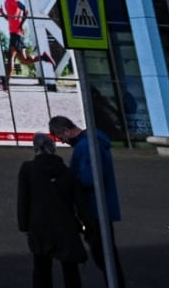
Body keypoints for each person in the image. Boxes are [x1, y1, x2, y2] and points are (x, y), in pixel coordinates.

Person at [50, 115, 124, 286]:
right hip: (100, 209)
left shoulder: (86, 147)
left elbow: (89, 178)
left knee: (104, 256)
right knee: (106, 256)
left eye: (61, 137)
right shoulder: (92, 143)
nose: (62, 142)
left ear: (67, 131)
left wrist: (67, 180)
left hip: (94, 210)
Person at [18, 133, 87, 288]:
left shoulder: (28, 169)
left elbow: (23, 199)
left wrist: (24, 226)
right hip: (65, 225)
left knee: (41, 268)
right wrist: (86, 225)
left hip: (39, 225)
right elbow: (79, 201)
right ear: (53, 148)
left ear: (35, 148)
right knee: (70, 268)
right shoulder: (66, 171)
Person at [2, 0, 54, 85]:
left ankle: (6, 83)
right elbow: (9, 19)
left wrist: (21, 24)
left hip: (16, 33)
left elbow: (25, 10)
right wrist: (1, 12)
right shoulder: (6, 2)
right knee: (24, 60)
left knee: (11, 57)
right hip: (16, 33)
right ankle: (43, 57)